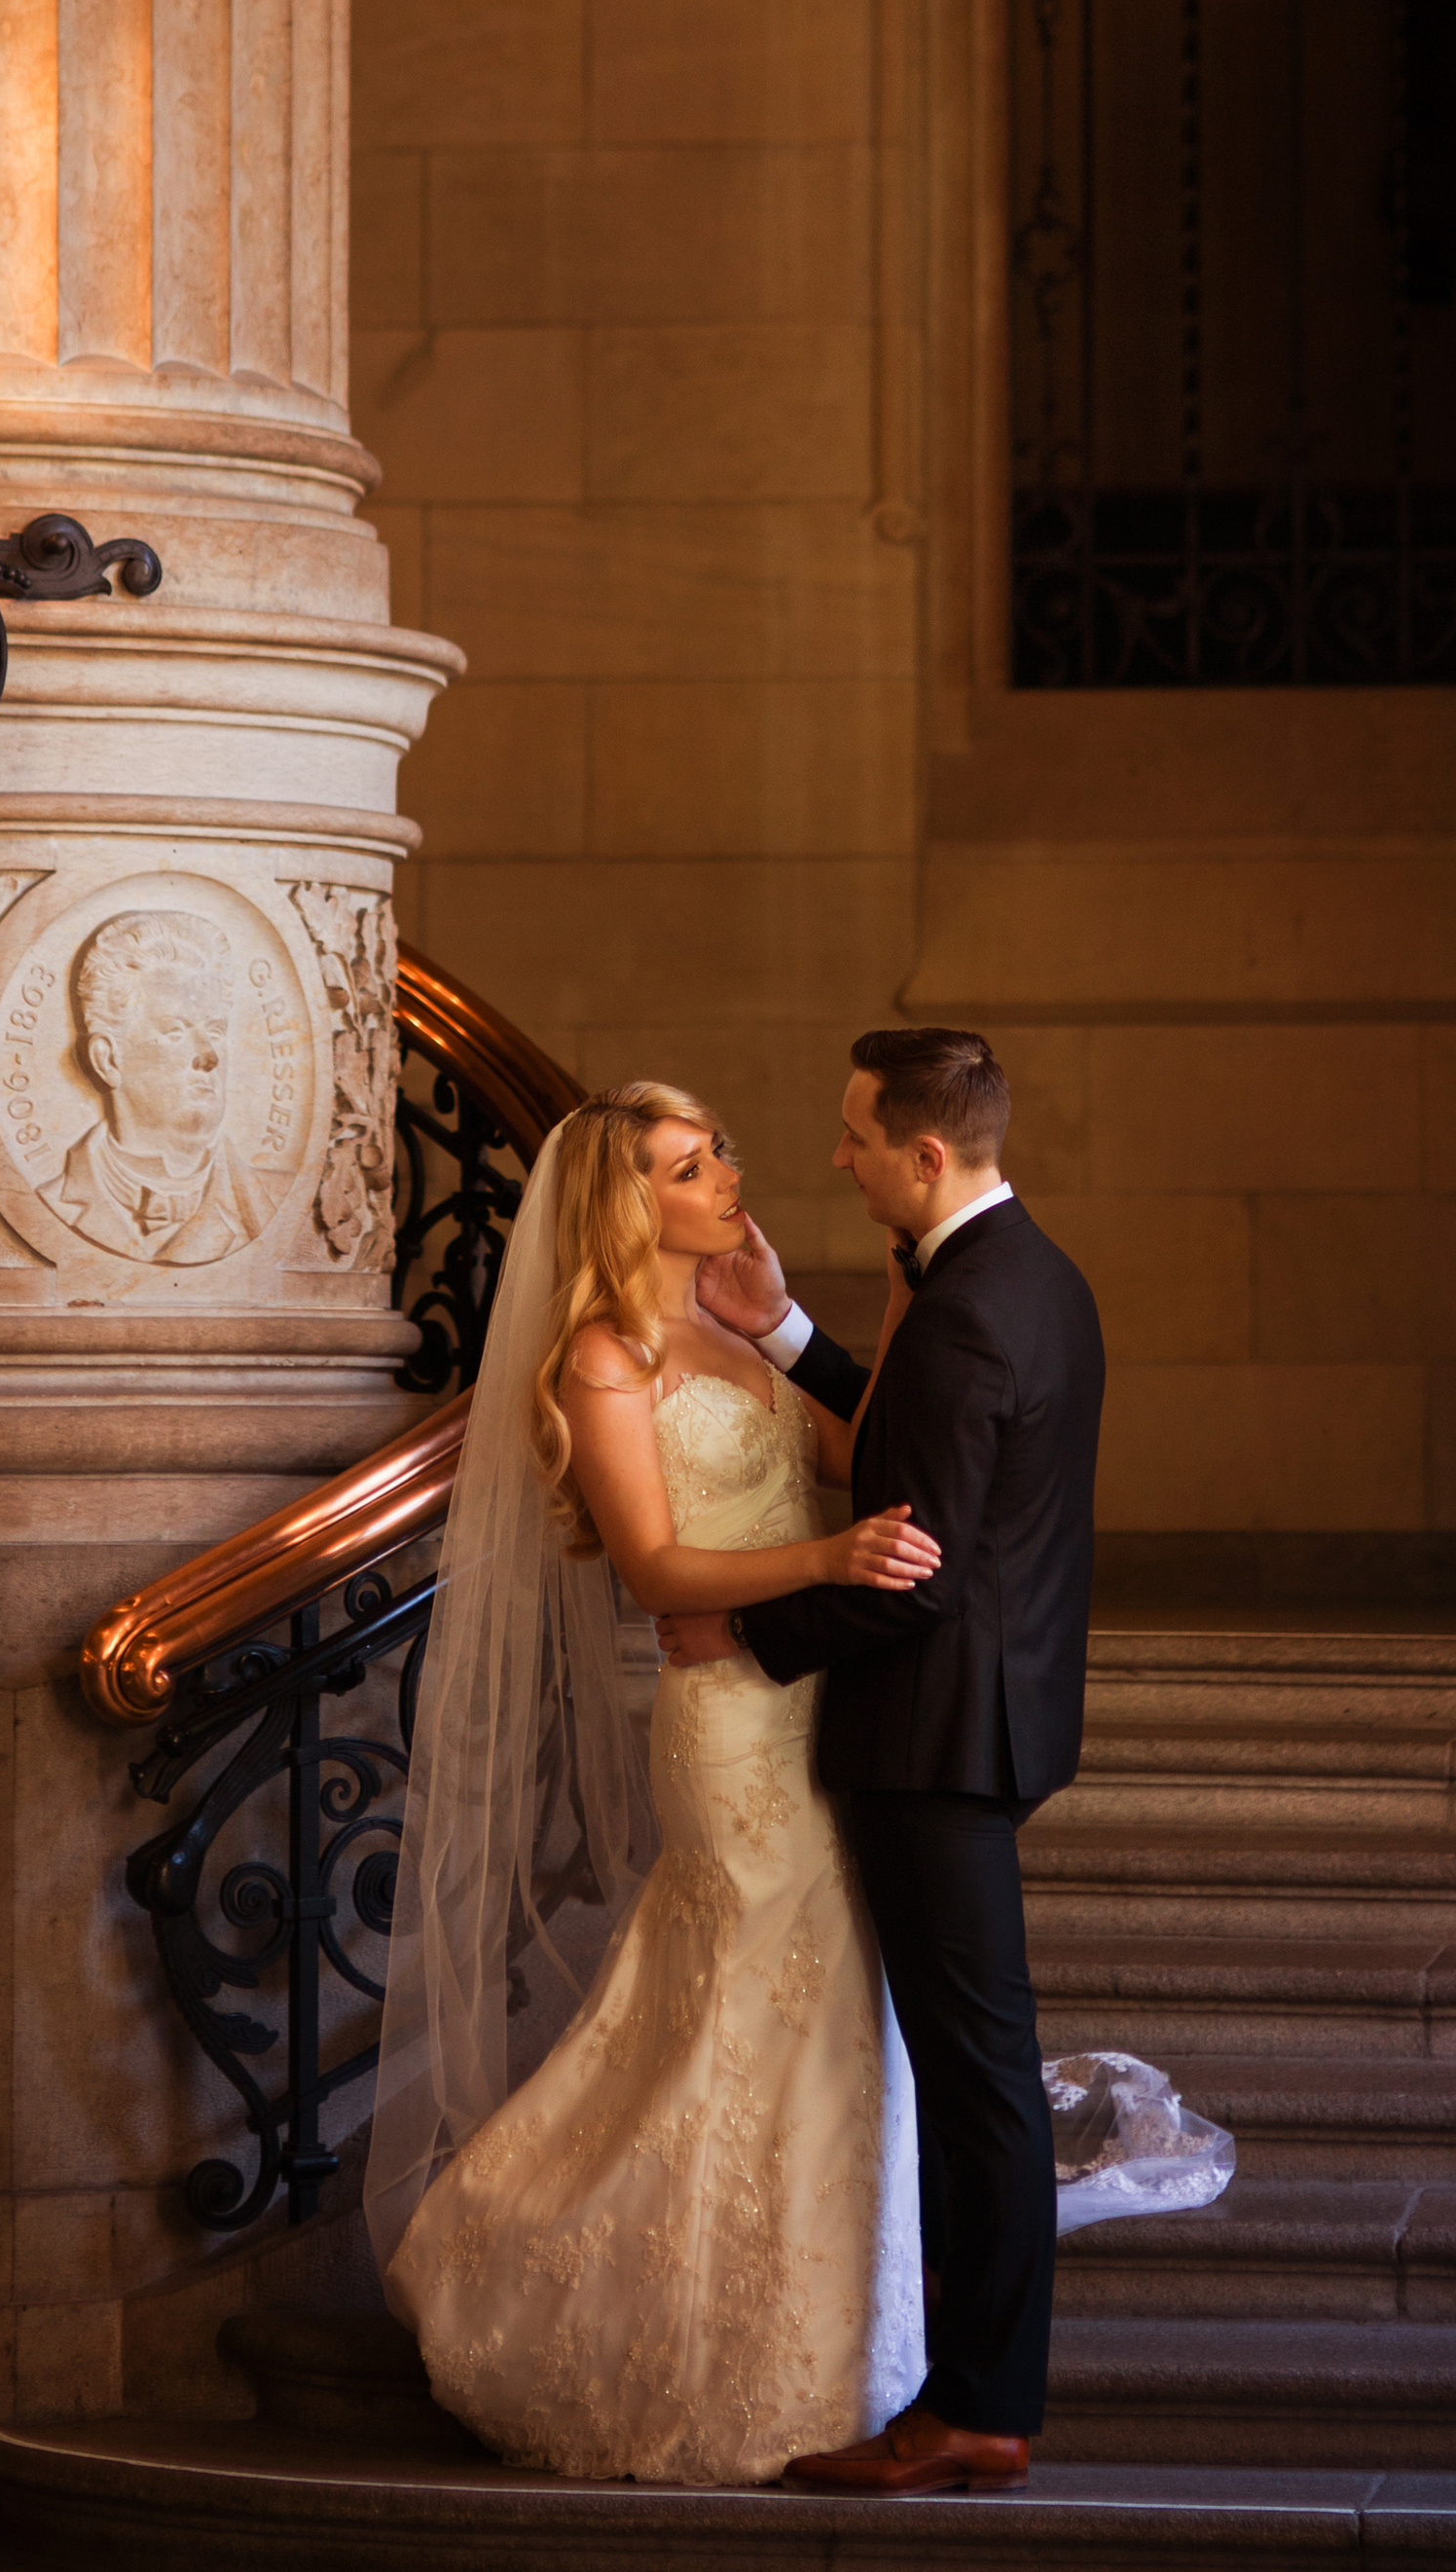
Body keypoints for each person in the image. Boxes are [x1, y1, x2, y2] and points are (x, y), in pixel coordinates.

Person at [369, 1081, 930, 2483]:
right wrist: (824, 1565)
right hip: (730, 1729)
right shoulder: (602, 1360)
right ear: (632, 1205)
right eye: (691, 1166)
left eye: (722, 1147)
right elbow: (657, 1572)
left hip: (818, 1705)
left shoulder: (727, 1331)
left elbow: (865, 1472)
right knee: (745, 2013)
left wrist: (803, 1328)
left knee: (820, 2021)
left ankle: (828, 2343)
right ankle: (643, 2321)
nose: (729, 1174)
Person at [659, 1024, 1104, 2499]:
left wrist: (742, 1630)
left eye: (854, 1138)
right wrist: (785, 1333)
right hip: (974, 1718)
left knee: (978, 2076)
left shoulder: (974, 1310)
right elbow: (910, 1460)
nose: (832, 1158)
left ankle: (978, 2403)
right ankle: (972, 2389)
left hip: (937, 1731)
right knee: (972, 2067)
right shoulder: (1018, 1275)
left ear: (925, 1152)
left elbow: (919, 1566)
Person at [39, 909, 273, 1263]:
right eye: (175, 1031)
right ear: (108, 1060)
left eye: (215, 1032)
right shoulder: (48, 1207)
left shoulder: (276, 1202)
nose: (209, 1056)